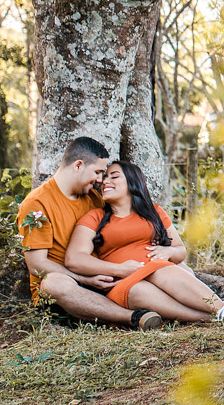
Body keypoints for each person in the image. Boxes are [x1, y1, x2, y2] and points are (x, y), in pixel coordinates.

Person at [65, 160, 224, 324]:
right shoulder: (95, 217)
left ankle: (219, 314)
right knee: (138, 288)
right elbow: (74, 259)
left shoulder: (153, 212)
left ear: (132, 181)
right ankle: (222, 309)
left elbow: (180, 250)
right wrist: (120, 269)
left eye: (114, 177)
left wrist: (168, 252)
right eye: (104, 178)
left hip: (160, 273)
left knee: (160, 269)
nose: (105, 182)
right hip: (122, 283)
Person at [15, 136, 163, 330]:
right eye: (98, 172)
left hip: (102, 275)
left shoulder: (93, 198)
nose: (100, 180)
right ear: (78, 166)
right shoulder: (37, 203)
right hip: (69, 285)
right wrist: (84, 279)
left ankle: (203, 310)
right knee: (53, 284)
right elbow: (37, 265)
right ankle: (133, 318)